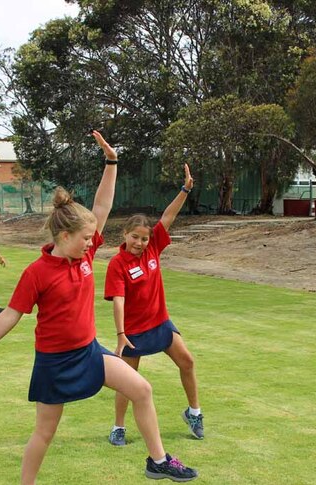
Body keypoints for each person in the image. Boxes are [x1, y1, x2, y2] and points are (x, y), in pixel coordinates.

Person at [0, 131, 198, 485]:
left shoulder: (84, 255)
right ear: (64, 237)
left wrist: (112, 162)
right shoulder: (37, 273)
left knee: (141, 389)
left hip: (89, 351)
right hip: (55, 363)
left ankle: (158, 461)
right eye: (84, 238)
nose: (91, 243)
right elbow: (10, 315)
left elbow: (101, 208)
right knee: (44, 434)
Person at [104, 164, 204, 447]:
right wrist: (121, 334)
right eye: (134, 237)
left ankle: (194, 413)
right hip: (134, 332)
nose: (139, 242)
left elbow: (168, 216)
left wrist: (185, 189)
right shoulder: (117, 264)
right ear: (124, 234)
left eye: (144, 238)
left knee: (188, 361)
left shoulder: (153, 247)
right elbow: (119, 300)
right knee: (127, 381)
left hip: (160, 323)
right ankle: (119, 427)